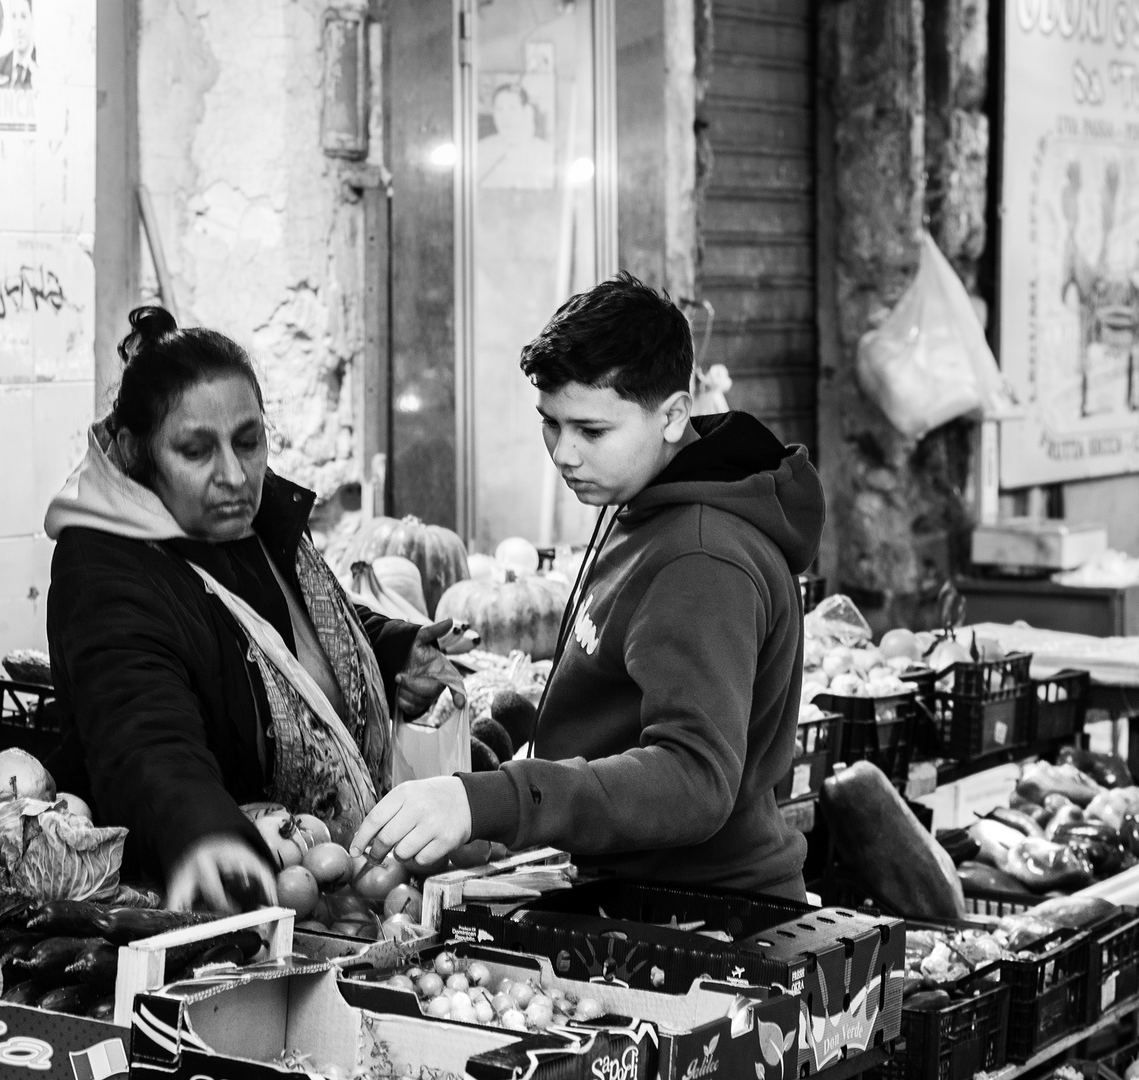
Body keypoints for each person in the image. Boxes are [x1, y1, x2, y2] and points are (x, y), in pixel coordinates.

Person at [351, 273, 825, 901]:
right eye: (551, 423)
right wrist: (521, 725)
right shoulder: (645, 501)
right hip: (641, 892)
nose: (563, 454)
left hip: (707, 918)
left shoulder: (703, 558)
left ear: (674, 415)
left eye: (592, 431)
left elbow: (694, 778)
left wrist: (494, 799)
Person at [44, 307, 465, 913]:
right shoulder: (103, 569)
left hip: (333, 890)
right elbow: (140, 734)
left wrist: (395, 650)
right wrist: (203, 836)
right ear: (137, 454)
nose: (235, 474)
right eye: (196, 451)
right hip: (223, 902)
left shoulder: (257, 523)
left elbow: (290, 633)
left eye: (249, 441)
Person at [0, 0, 35, 89]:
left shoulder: (42, 66)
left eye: (23, 16)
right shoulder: (0, 65)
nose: (18, 27)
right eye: (14, 17)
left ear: (32, 18)